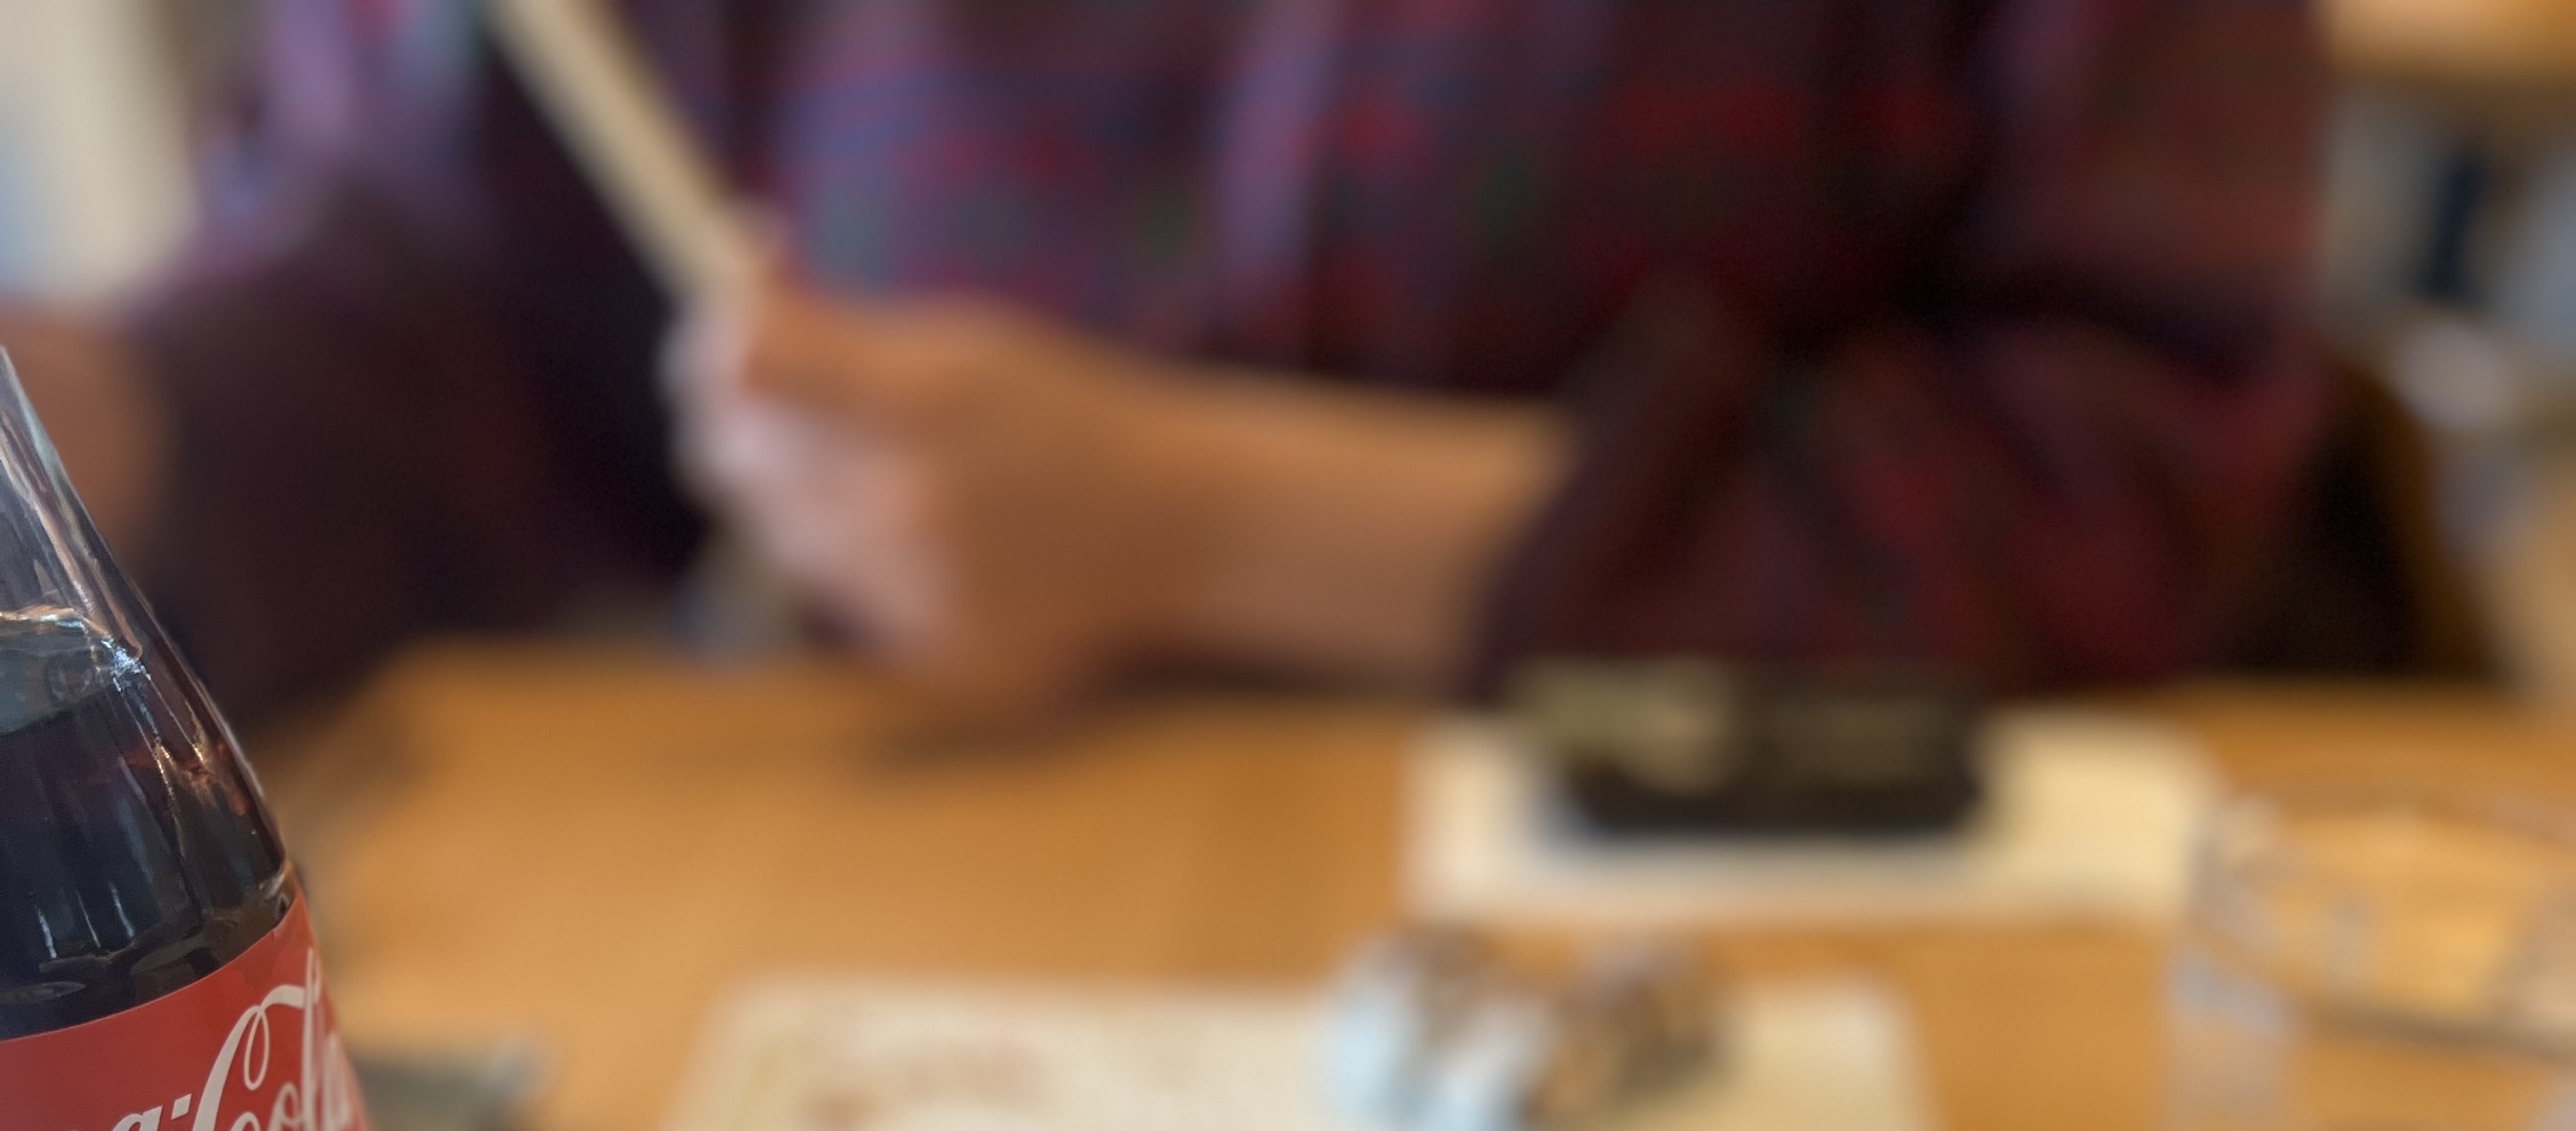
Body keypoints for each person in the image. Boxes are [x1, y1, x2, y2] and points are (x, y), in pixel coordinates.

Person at [2, 0, 2327, 724]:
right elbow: (428, 322)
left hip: (1813, 935)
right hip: (923, 969)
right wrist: (92, 425)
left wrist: (1201, 522)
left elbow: (2130, 471)